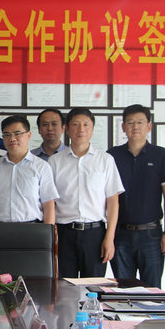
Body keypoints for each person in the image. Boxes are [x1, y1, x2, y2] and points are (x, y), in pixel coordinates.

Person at [50, 107, 124, 278]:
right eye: (75, 124)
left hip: (95, 234)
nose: (81, 129)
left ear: (92, 129)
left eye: (86, 125)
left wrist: (109, 238)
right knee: (64, 287)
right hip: (64, 233)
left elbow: (113, 201)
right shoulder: (55, 161)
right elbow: (50, 202)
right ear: (67, 129)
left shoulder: (105, 160)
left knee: (93, 287)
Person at [107, 104, 165, 288]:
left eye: (140, 122)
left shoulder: (160, 155)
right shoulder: (112, 155)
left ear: (149, 126)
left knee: (152, 290)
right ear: (123, 127)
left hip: (151, 234)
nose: (135, 126)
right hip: (120, 234)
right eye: (130, 122)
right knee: (123, 289)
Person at [0, 115, 58, 224]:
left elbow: (48, 204)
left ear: (29, 135)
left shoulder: (42, 167)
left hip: (32, 228)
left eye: (17, 133)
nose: (12, 139)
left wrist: (49, 231)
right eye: (7, 135)